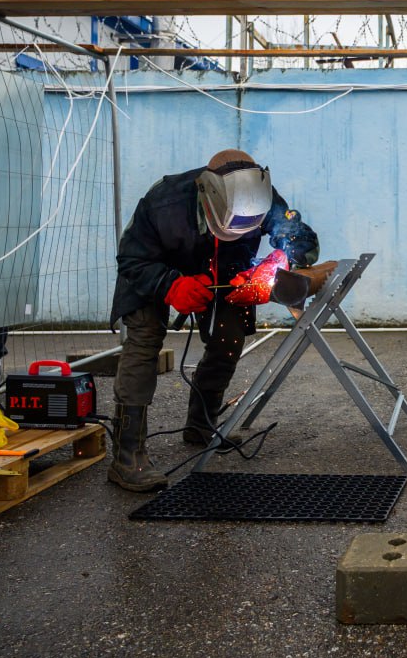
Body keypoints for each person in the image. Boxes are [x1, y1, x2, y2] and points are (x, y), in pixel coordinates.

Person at [107, 149, 318, 492]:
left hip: (226, 271)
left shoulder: (262, 195)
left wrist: (277, 260)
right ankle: (127, 457)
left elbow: (301, 237)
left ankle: (201, 426)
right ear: (209, 198)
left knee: (228, 338)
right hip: (152, 272)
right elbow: (131, 259)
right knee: (143, 343)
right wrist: (171, 284)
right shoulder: (163, 202)